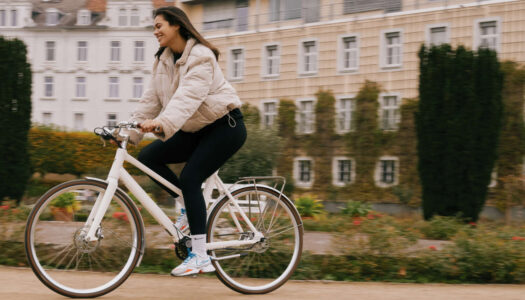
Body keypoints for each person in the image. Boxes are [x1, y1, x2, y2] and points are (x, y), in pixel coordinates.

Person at [125, 6, 246, 276]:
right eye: (154, 27)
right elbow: (151, 99)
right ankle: (189, 213)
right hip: (195, 129)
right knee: (147, 158)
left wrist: (161, 123)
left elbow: (187, 99)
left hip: (225, 127)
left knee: (191, 177)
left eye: (159, 26)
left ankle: (201, 256)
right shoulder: (164, 60)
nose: (155, 31)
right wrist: (131, 132)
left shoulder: (201, 56)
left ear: (177, 25)